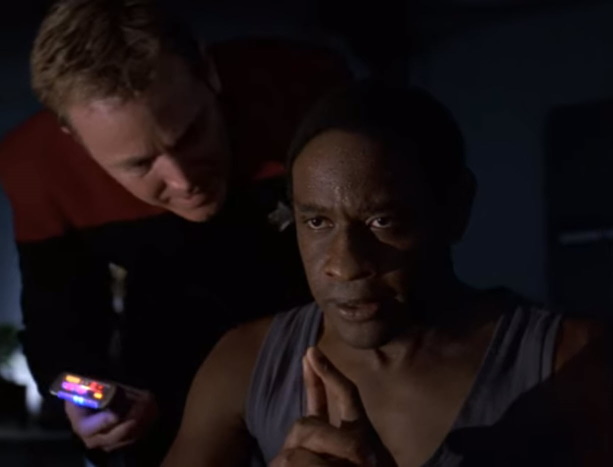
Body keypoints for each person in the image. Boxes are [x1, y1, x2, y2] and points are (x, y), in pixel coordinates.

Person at [163, 81, 613, 467]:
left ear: (456, 208)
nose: (345, 264)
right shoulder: (245, 363)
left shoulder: (575, 361)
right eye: (317, 222)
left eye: (383, 221)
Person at [0, 0, 351, 464]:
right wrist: (83, 397)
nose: (184, 181)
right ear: (74, 138)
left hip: (318, 323)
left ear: (208, 71)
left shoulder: (304, 88)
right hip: (165, 349)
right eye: (139, 164)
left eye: (191, 134)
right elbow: (59, 326)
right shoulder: (35, 167)